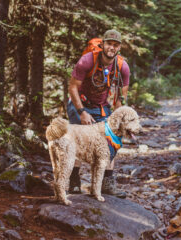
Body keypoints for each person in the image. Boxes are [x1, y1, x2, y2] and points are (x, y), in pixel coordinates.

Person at [67, 29, 130, 198]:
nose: (112, 47)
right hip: (79, 101)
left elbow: (121, 97)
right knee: (80, 137)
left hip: (101, 106)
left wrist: (116, 120)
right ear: (103, 44)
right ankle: (73, 180)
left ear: (119, 48)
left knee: (110, 139)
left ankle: (107, 182)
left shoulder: (122, 66)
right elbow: (72, 87)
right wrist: (81, 112)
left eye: (115, 45)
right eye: (109, 43)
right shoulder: (87, 60)